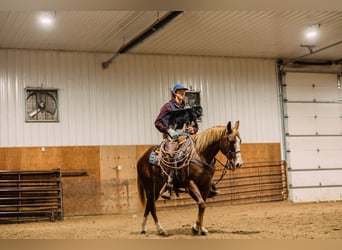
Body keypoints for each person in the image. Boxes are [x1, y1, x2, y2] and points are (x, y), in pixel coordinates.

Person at [154, 82, 219, 200]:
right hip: (173, 138)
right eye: (180, 91)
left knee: (201, 152)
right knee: (171, 154)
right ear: (175, 93)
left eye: (184, 91)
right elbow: (157, 122)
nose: (182, 93)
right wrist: (168, 130)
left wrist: (193, 129)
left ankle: (207, 182)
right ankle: (169, 183)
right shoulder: (167, 107)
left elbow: (195, 126)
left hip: (187, 137)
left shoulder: (187, 108)